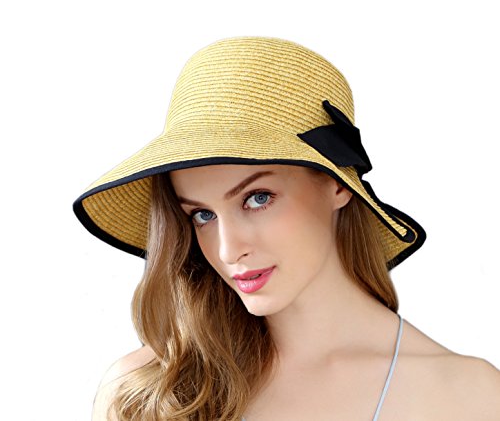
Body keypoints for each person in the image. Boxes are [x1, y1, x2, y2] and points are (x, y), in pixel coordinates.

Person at [74, 36, 500, 421]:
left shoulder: (471, 398)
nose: (227, 250)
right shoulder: (146, 395)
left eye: (257, 198)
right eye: (202, 215)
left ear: (337, 184)